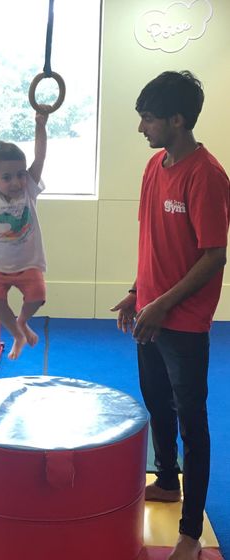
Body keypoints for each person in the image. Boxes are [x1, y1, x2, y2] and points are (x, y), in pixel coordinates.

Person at [111, 71, 229, 560]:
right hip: (150, 314)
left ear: (177, 120)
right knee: (156, 401)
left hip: (182, 324)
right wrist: (139, 292)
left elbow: (213, 256)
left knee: (191, 421)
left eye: (149, 118)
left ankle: (189, 532)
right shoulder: (154, 168)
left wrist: (161, 304)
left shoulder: (208, 176)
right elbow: (152, 241)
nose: (142, 128)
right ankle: (165, 480)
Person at [0, 102, 50, 360]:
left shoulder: (29, 189)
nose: (16, 182)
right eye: (7, 177)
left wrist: (40, 125)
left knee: (37, 297)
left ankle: (23, 322)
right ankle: (16, 333)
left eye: (20, 174)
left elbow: (41, 157)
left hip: (28, 263)